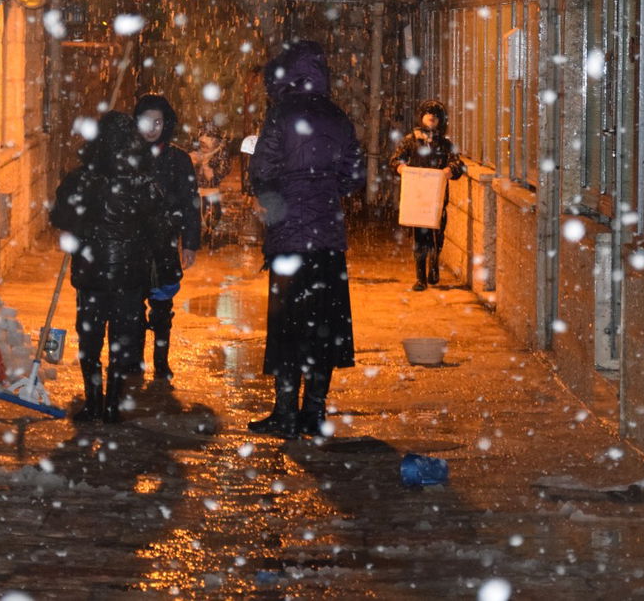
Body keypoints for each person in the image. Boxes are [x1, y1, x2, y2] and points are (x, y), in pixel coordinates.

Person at [247, 41, 366, 438]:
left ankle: (284, 414)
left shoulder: (281, 115)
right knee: (323, 327)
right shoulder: (338, 116)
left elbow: (262, 168)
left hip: (289, 242)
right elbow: (354, 176)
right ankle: (314, 413)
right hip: (328, 241)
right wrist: (326, 190)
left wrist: (274, 194)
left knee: (287, 327)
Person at [48, 111, 153, 423]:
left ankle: (94, 401)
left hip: (92, 272)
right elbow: (157, 225)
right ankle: (112, 403)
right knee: (121, 338)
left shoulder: (80, 179)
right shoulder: (142, 182)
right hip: (129, 273)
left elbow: (62, 221)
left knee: (91, 338)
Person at [130, 93, 202, 385]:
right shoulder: (127, 157)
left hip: (164, 245)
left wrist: (191, 242)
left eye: (157, 122)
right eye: (146, 122)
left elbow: (190, 203)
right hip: (132, 245)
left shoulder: (178, 160)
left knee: (162, 306)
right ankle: (134, 359)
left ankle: (161, 361)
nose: (151, 128)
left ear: (166, 124)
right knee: (132, 305)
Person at [389, 98, 465, 291]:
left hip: (438, 197)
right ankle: (420, 276)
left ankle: (434, 263)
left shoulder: (445, 144)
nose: (431, 117)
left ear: (441, 120)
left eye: (436, 114)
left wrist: (450, 169)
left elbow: (458, 164)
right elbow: (395, 160)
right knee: (420, 237)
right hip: (418, 196)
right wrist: (401, 168)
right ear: (421, 116)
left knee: (437, 234)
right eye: (428, 113)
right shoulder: (410, 140)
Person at [189, 121, 231, 249]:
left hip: (212, 191)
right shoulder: (196, 152)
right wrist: (191, 161)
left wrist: (208, 168)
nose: (204, 140)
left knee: (213, 214)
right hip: (197, 191)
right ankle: (198, 238)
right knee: (196, 215)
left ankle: (211, 235)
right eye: (202, 135)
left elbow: (222, 171)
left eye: (209, 137)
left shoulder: (220, 154)